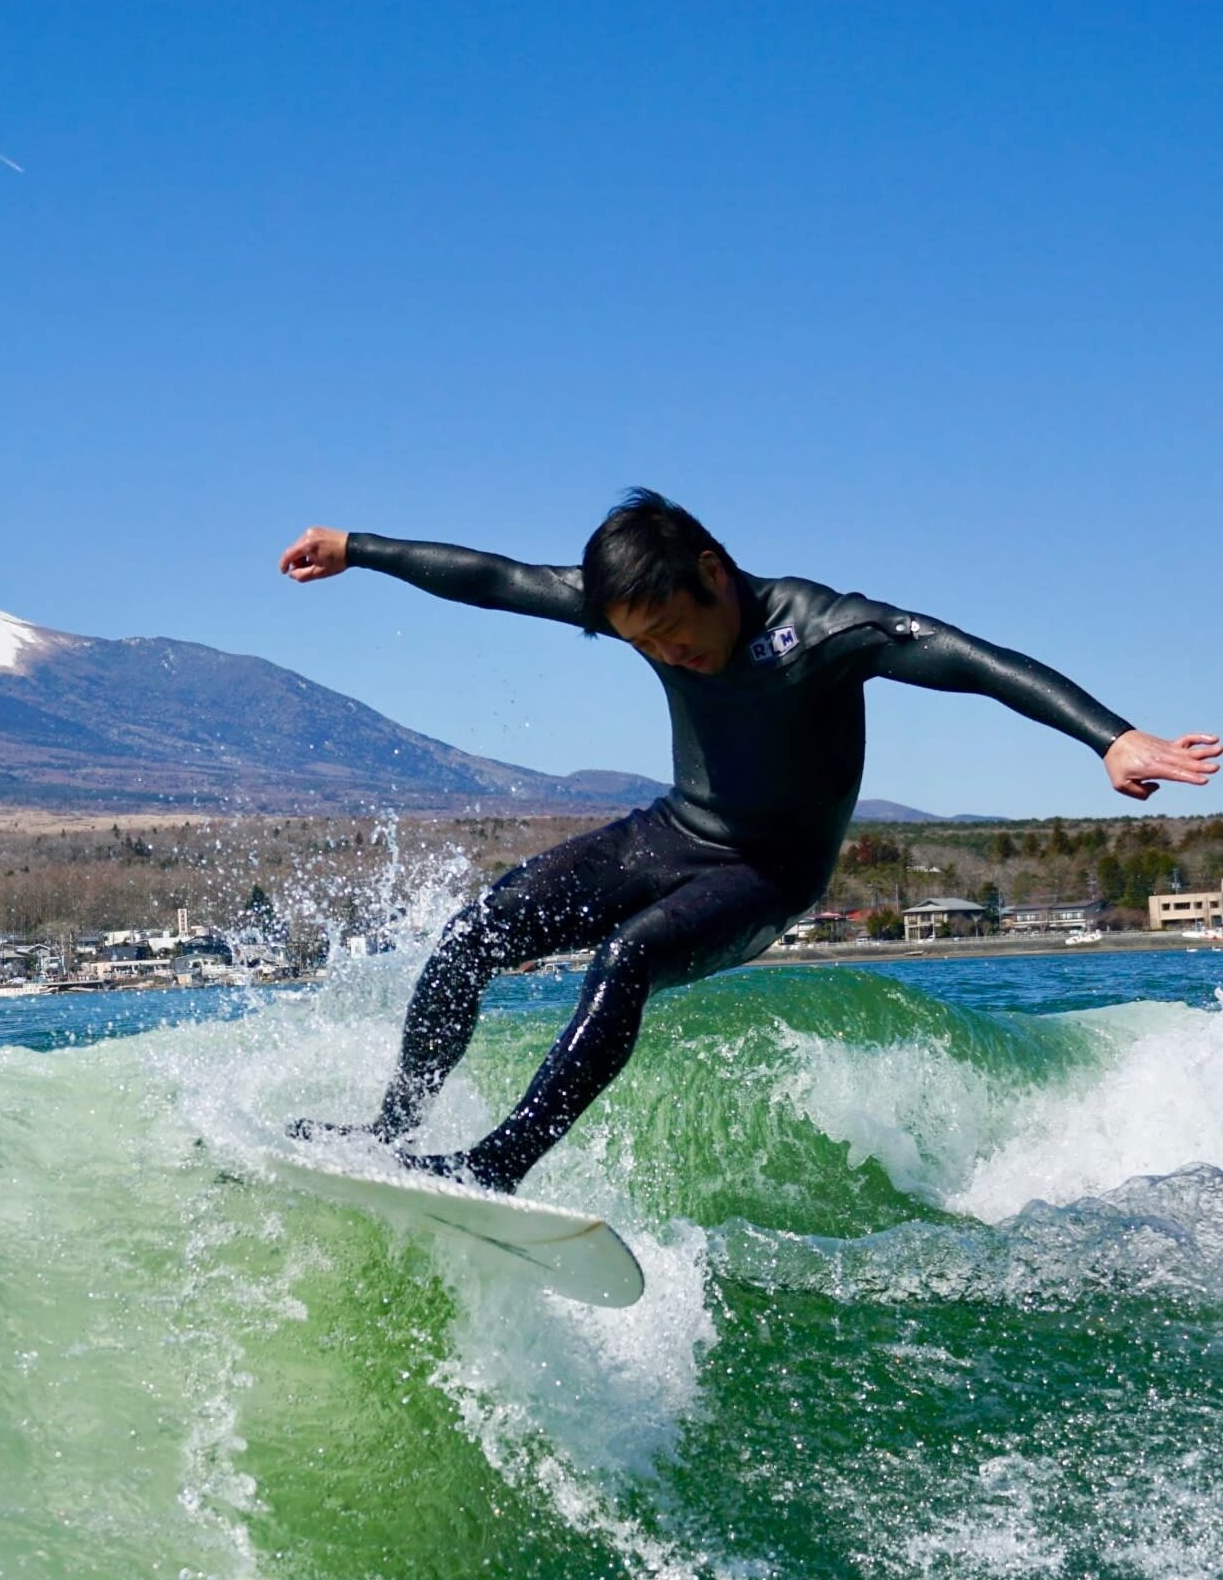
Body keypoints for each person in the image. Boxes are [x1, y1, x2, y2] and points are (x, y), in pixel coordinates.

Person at [280, 490, 1219, 1193]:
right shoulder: (640, 606)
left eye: (673, 634)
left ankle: (493, 1166)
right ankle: (390, 1132)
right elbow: (498, 580)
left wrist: (1110, 735)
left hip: (767, 872)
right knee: (471, 933)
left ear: (713, 572)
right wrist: (358, 549)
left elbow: (973, 658)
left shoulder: (821, 631)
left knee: (626, 957)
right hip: (673, 830)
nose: (664, 654)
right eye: (639, 644)